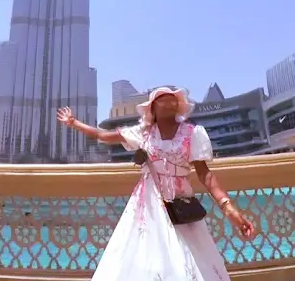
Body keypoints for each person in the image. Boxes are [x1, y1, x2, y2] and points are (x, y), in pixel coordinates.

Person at [57, 85, 255, 280]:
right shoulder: (143, 133)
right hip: (148, 203)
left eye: (173, 99)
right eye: (162, 100)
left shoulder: (192, 133)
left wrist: (228, 208)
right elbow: (103, 135)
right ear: (152, 108)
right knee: (147, 254)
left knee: (187, 258)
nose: (169, 102)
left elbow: (205, 175)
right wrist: (74, 123)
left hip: (181, 202)